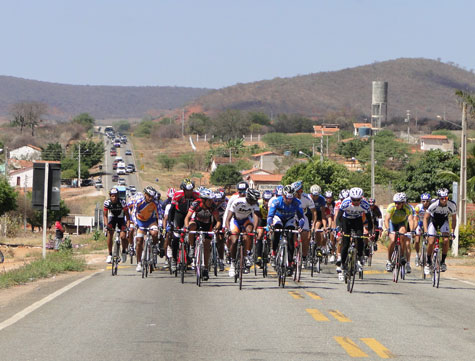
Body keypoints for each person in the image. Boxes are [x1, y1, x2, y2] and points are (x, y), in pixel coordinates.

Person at [267, 185, 305, 276]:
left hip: (289, 219)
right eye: (287, 198)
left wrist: (300, 226)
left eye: (291, 198)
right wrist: (270, 224)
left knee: (290, 239)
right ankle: (274, 252)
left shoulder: (297, 202)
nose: (289, 201)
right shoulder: (276, 201)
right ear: (283, 196)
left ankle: (290, 263)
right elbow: (270, 216)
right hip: (278, 218)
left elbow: (301, 217)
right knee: (277, 231)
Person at [335, 187, 372, 281]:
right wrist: (339, 228)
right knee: (345, 243)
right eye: (353, 200)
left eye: (358, 200)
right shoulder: (345, 203)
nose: (356, 202)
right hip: (346, 221)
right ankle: (343, 265)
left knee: (360, 237)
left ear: (361, 198)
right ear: (350, 198)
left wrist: (370, 230)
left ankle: (359, 257)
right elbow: (338, 218)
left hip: (357, 220)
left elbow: (369, 219)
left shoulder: (365, 204)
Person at [184, 188, 221, 281]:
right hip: (197, 222)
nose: (211, 201)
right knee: (192, 226)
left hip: (208, 225)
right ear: (203, 200)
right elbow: (187, 217)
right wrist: (187, 227)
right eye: (209, 200)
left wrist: (216, 228)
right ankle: (192, 247)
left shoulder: (212, 206)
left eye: (212, 199)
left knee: (207, 244)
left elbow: (218, 221)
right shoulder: (196, 203)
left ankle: (205, 269)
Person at [225, 188, 261, 277]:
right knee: (234, 241)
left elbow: (256, 217)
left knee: (249, 231)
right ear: (248, 198)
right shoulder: (237, 202)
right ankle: (233, 264)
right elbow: (228, 218)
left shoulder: (255, 203)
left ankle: (247, 254)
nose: (254, 202)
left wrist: (255, 230)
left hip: (246, 220)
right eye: (252, 200)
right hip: (235, 220)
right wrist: (228, 229)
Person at [423, 188, 457, 274]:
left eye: (446, 198)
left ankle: (443, 262)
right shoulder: (433, 204)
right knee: (431, 241)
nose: (444, 200)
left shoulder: (452, 205)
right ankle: (428, 262)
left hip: (443, 221)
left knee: (446, 240)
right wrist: (426, 232)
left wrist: (452, 232)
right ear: (439, 198)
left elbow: (453, 219)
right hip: (433, 220)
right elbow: (425, 218)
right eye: (442, 198)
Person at [169, 179, 200, 269]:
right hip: (179, 215)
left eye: (191, 190)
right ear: (183, 190)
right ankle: (174, 259)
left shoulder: (197, 195)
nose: (189, 193)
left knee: (193, 231)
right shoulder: (177, 195)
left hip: (191, 215)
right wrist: (170, 223)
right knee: (175, 238)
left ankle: (191, 247)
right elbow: (172, 210)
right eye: (187, 191)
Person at [384, 192, 415, 273]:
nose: (396, 205)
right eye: (395, 203)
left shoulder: (408, 208)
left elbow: (410, 220)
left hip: (401, 223)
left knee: (403, 234)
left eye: (399, 203)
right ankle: (389, 261)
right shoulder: (391, 207)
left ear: (403, 203)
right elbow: (387, 219)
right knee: (393, 239)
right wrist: (387, 229)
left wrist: (412, 231)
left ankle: (401, 255)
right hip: (392, 223)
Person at [134, 186, 163, 272]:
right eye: (149, 196)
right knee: (139, 240)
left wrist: (160, 225)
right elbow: (133, 213)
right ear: (145, 194)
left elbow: (160, 215)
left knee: (154, 233)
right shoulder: (139, 202)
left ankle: (154, 246)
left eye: (152, 197)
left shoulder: (155, 203)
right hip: (140, 221)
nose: (150, 198)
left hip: (151, 221)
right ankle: (139, 263)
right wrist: (136, 223)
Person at [292, 181, 317, 267]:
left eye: (301, 191)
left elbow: (314, 212)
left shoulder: (307, 198)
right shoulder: (290, 197)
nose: (300, 193)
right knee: (291, 234)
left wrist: (313, 225)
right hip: (291, 216)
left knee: (306, 236)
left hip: (303, 217)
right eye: (297, 192)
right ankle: (292, 253)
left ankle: (304, 257)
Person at [103, 187, 130, 264]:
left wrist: (127, 226)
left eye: (115, 196)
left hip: (121, 218)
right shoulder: (107, 203)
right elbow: (105, 216)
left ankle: (124, 251)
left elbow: (127, 216)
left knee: (123, 236)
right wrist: (106, 225)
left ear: (118, 196)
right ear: (110, 196)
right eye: (112, 196)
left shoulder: (122, 202)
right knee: (110, 233)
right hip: (112, 219)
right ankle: (110, 254)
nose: (114, 197)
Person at [413, 193, 431, 267]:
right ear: (421, 201)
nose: (425, 203)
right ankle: (417, 255)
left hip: (428, 224)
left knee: (430, 240)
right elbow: (415, 219)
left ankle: (429, 256)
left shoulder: (431, 207)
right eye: (423, 201)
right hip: (420, 224)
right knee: (417, 240)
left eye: (427, 201)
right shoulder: (418, 207)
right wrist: (414, 229)